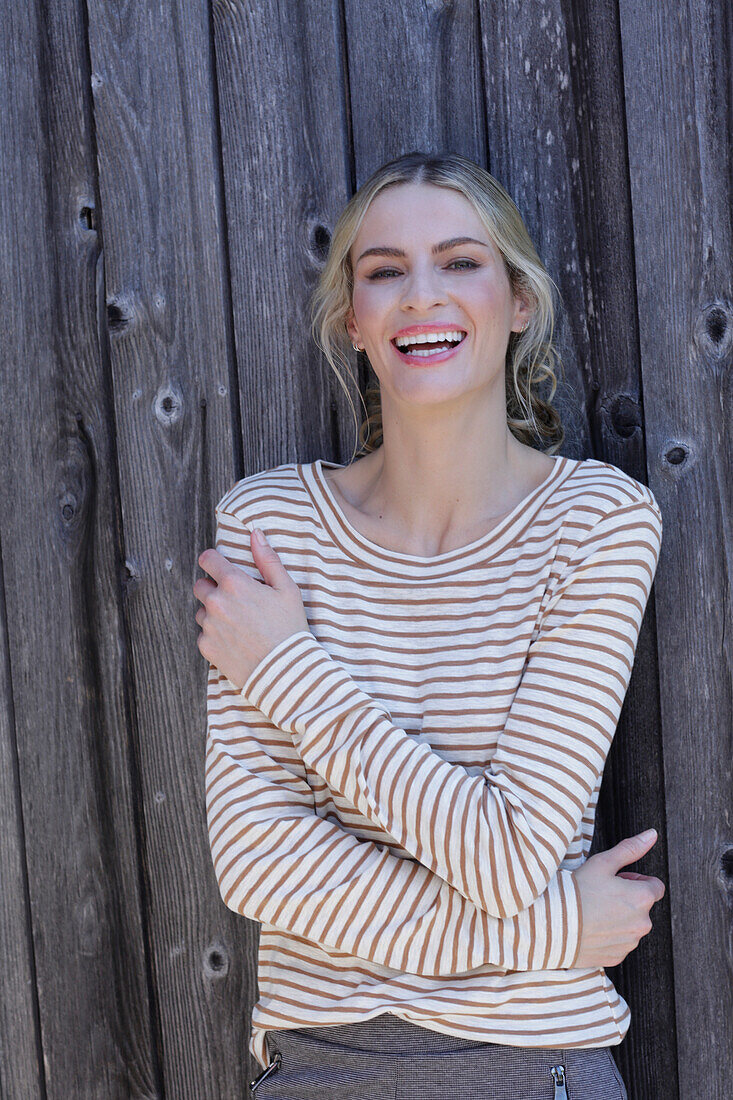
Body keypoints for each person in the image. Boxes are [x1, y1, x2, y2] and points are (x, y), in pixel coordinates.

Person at [194, 151, 665, 1099]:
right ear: (351, 321)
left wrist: (289, 669)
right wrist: (547, 930)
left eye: (459, 262)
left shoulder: (596, 523)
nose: (421, 295)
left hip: (533, 1067)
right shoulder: (269, 525)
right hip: (314, 1066)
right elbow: (257, 863)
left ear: (518, 302)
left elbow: (507, 853)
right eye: (384, 272)